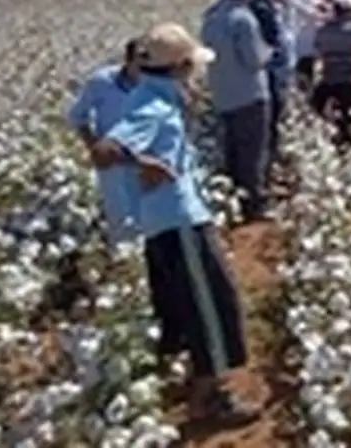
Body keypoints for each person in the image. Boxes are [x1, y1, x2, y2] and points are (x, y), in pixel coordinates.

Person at [90, 22, 258, 426]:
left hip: (168, 220)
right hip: (180, 223)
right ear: (181, 65)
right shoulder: (152, 106)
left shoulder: (155, 95)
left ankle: (199, 385)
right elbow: (104, 150)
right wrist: (141, 160)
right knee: (209, 307)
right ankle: (211, 399)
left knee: (190, 307)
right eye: (192, 64)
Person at [200, 0, 272, 222]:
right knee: (252, 152)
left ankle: (233, 204)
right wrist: (269, 53)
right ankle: (254, 205)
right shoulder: (243, 19)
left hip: (222, 94)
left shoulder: (210, 18)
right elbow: (253, 60)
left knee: (232, 150)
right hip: (250, 94)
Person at [67, 37, 145, 250]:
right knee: (120, 224)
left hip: (148, 161)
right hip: (113, 163)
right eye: (141, 61)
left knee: (150, 222)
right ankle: (127, 272)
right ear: (128, 61)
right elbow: (77, 116)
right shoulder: (101, 82)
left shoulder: (159, 83)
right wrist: (94, 146)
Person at [248, 0, 292, 179]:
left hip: (275, 73)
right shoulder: (261, 8)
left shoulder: (266, 5)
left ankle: (268, 171)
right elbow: (271, 43)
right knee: (268, 128)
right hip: (270, 75)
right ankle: (265, 174)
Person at [312, 0, 351, 145]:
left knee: (318, 107)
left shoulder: (323, 30)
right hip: (347, 78)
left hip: (328, 77)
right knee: (350, 115)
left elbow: (318, 48)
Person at [284, 0, 329, 93]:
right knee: (302, 79)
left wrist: (324, 6)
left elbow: (319, 4)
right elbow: (313, 14)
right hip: (299, 46)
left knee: (308, 75)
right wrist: (330, 15)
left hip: (308, 45)